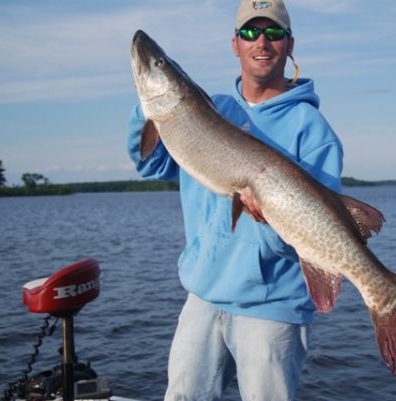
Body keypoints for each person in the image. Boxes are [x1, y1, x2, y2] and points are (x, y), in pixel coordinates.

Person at [127, 1, 343, 400]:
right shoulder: (212, 109)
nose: (261, 41)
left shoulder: (312, 130)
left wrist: (269, 220)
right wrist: (148, 108)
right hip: (204, 294)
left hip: (271, 305)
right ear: (235, 44)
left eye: (273, 33)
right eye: (249, 32)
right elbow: (152, 165)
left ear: (289, 44)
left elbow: (317, 235)